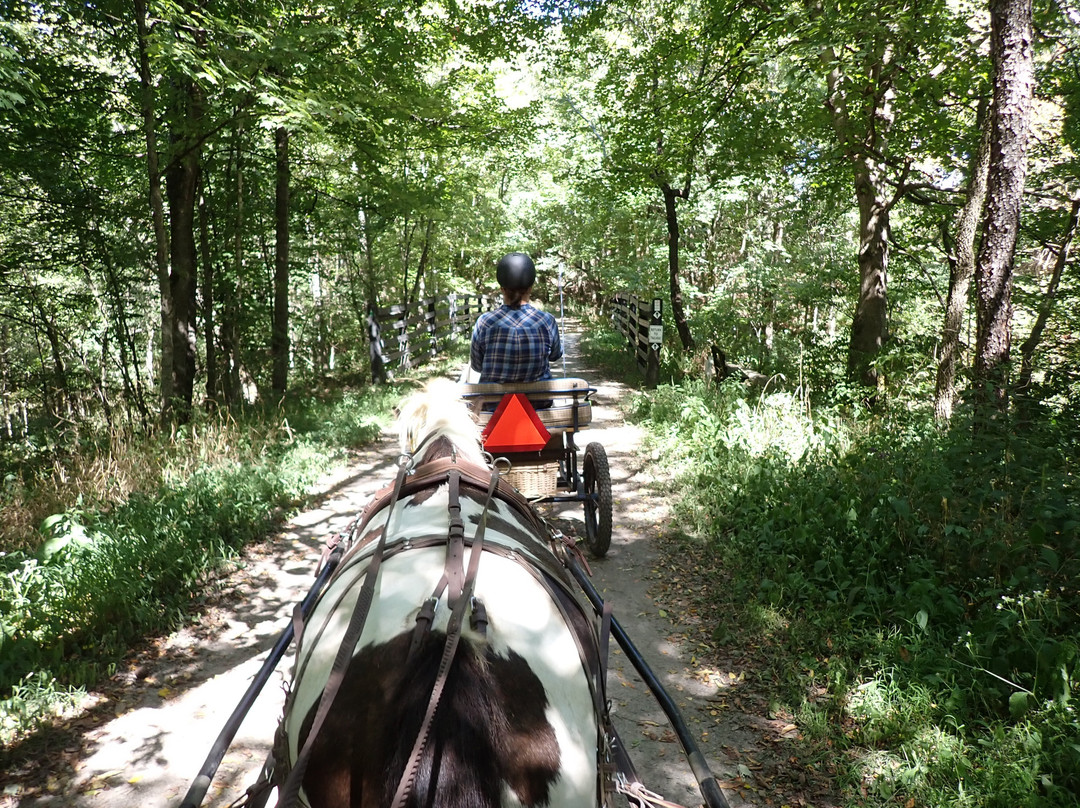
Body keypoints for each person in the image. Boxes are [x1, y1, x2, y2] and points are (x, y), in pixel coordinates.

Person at [470, 252, 563, 384]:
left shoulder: (484, 322)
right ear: (530, 288)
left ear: (502, 289)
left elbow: (477, 366)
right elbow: (555, 356)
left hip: (494, 403)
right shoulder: (547, 321)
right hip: (537, 403)